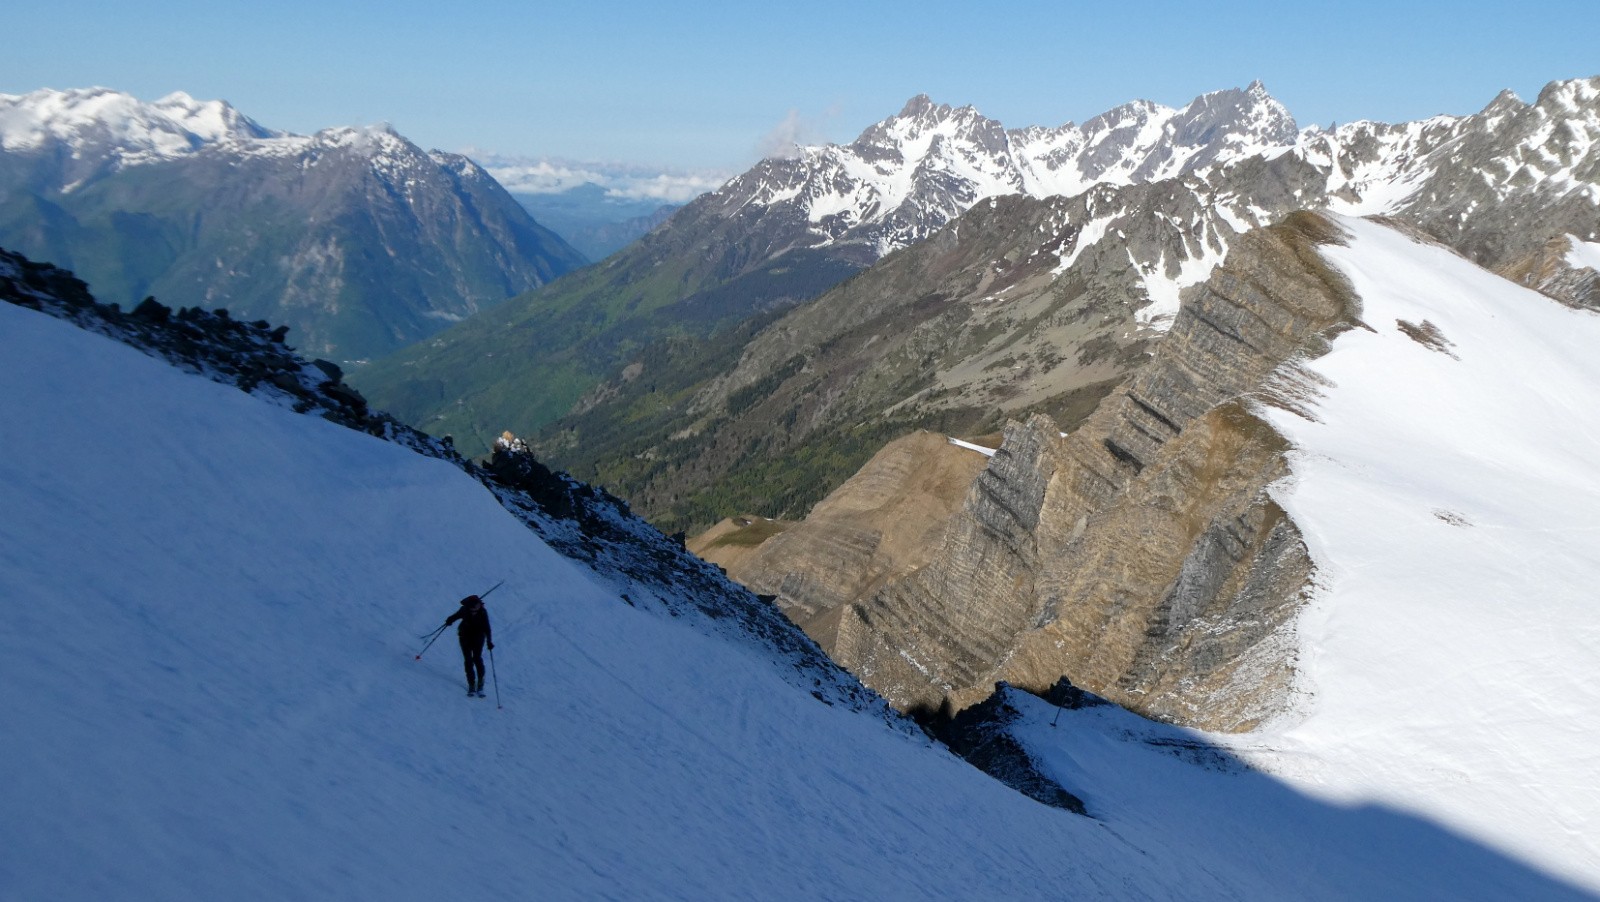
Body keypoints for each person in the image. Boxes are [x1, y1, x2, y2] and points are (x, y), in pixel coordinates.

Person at [444, 594, 493, 697]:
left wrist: (489, 641)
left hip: (478, 638)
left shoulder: (483, 612)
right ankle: (471, 684)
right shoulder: (464, 610)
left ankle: (480, 684)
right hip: (465, 636)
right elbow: (454, 617)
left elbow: (487, 628)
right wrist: (449, 621)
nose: (474, 610)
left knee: (477, 658)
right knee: (468, 660)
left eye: (477, 606)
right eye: (472, 609)